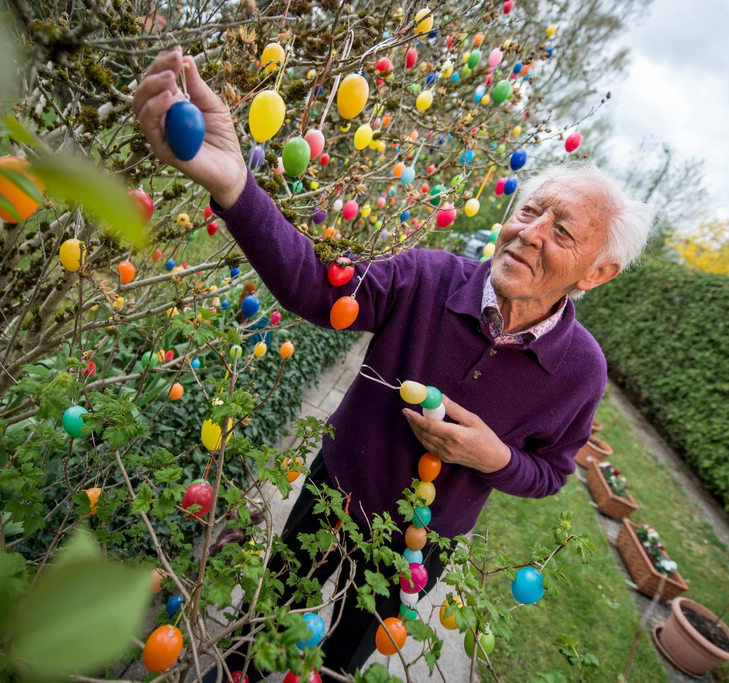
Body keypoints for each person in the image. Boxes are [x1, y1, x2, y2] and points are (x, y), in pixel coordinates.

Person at [134, 47, 655, 680]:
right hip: (333, 493)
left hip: (418, 547)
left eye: (562, 229)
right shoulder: (427, 276)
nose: (529, 232)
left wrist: (493, 458)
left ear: (598, 273)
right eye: (528, 210)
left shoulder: (581, 371)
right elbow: (315, 288)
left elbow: (550, 473)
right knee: (263, 624)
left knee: (342, 662)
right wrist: (233, 184)